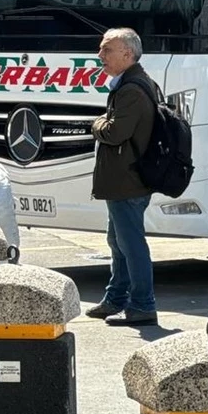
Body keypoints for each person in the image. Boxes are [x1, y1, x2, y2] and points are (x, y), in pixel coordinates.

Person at [87, 27, 159, 326]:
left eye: (107, 50)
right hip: (123, 182)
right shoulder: (131, 83)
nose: (100, 56)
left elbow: (115, 132)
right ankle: (115, 298)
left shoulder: (131, 89)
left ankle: (143, 305)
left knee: (131, 245)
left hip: (128, 182)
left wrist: (97, 124)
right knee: (117, 242)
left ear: (127, 54)